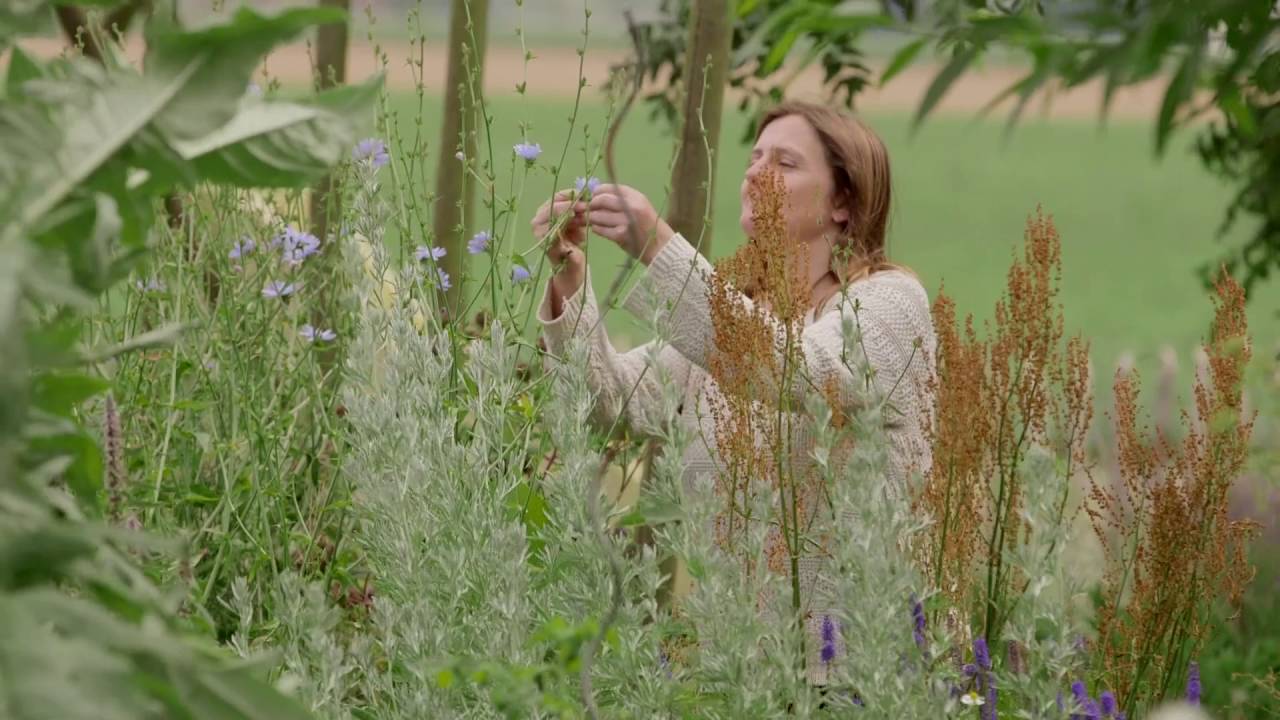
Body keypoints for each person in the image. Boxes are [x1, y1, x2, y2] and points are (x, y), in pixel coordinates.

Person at [533, 100, 937, 683]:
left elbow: (801, 371)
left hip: (858, 676)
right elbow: (608, 408)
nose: (754, 172)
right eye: (753, 157)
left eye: (785, 161)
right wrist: (570, 272)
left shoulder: (891, 305)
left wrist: (658, 248)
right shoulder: (737, 320)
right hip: (740, 671)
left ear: (844, 203)